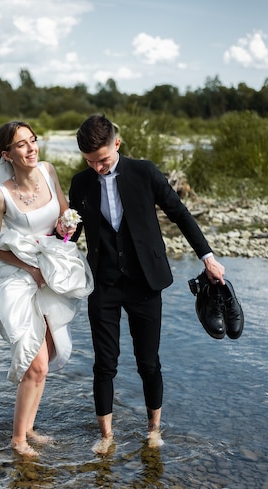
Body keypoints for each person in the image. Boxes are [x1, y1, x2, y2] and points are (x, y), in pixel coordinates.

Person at [69, 114, 225, 453]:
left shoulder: (145, 172)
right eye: (91, 161)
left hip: (145, 283)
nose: (98, 167)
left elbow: (179, 213)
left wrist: (207, 257)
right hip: (104, 284)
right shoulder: (80, 183)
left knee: (148, 362)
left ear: (117, 145)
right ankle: (106, 438)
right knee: (104, 363)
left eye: (104, 159)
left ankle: (154, 429)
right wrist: (50, 247)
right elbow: (71, 233)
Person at [0, 121, 93, 457]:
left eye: (33, 141)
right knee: (36, 363)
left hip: (53, 275)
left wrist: (66, 227)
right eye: (21, 145)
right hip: (23, 281)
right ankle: (17, 441)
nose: (31, 148)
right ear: (7, 154)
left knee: (46, 357)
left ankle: (29, 429)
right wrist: (31, 270)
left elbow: (65, 216)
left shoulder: (48, 170)